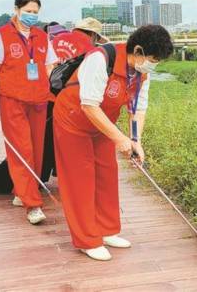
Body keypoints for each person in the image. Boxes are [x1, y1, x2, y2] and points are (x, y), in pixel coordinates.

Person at [53, 25, 173, 261]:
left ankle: (106, 230)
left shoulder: (141, 73)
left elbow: (137, 108)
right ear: (137, 50)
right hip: (72, 121)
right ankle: (87, 239)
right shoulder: (101, 59)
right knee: (80, 179)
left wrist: (136, 140)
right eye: (152, 59)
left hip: (102, 125)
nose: (153, 64)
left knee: (106, 174)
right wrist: (119, 138)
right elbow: (88, 105)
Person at [0, 0, 58, 225]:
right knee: (21, 150)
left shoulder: (42, 37)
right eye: (28, 12)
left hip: (39, 101)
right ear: (16, 9)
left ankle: (20, 190)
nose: (31, 16)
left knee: (36, 150)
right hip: (13, 100)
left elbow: (50, 67)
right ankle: (33, 205)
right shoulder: (1, 36)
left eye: (35, 12)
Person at [40, 17, 109, 183]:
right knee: (67, 143)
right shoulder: (91, 50)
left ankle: (38, 179)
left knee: (43, 140)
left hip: (44, 97)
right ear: (93, 35)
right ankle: (67, 178)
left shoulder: (54, 41)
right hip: (68, 101)